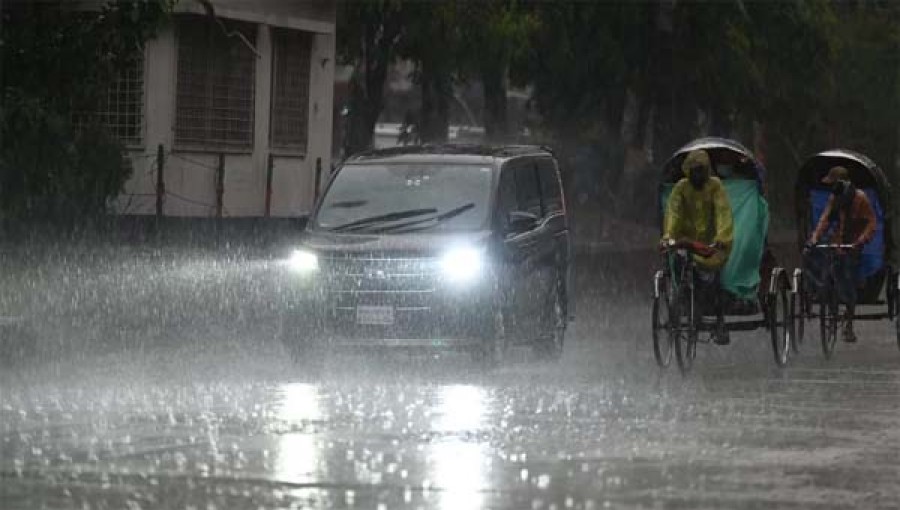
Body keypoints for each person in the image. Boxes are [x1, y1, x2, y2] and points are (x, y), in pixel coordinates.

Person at [661, 149, 735, 344]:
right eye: (694, 171)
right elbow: (674, 212)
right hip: (685, 242)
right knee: (676, 266)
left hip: (710, 245)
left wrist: (722, 237)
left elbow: (723, 213)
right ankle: (681, 301)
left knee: (715, 279)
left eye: (701, 170)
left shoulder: (715, 187)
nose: (698, 175)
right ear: (688, 171)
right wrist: (669, 235)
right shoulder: (681, 188)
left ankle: (720, 321)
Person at [805, 166, 877, 343]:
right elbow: (825, 219)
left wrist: (861, 240)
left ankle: (849, 323)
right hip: (836, 241)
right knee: (818, 260)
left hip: (852, 245)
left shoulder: (860, 199)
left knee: (847, 280)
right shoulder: (835, 198)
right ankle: (822, 295)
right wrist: (814, 237)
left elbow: (871, 223)